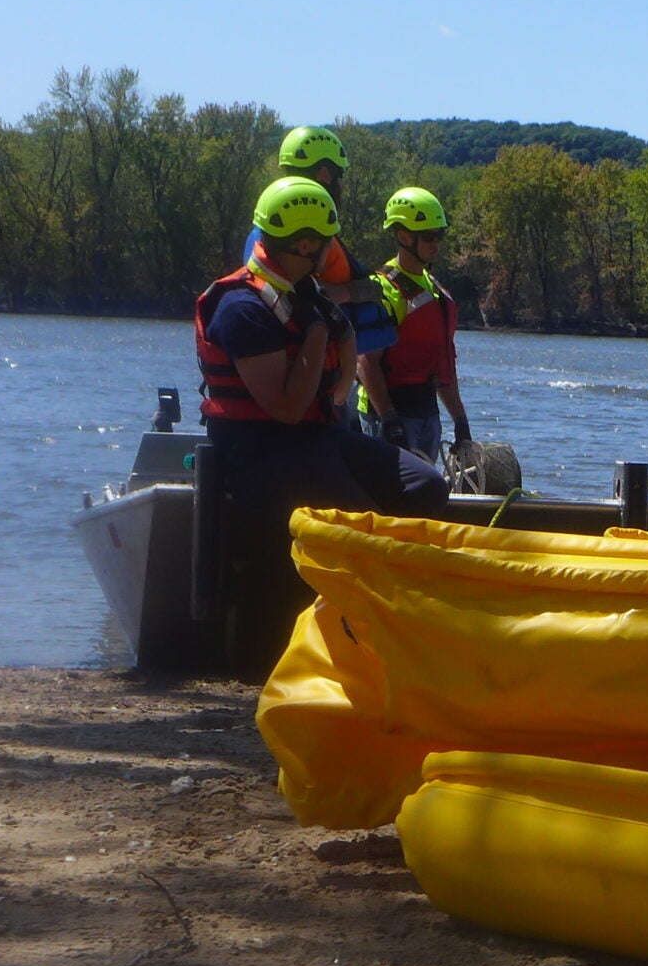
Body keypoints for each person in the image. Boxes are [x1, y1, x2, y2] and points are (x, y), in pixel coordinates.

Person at [196, 176, 449, 666]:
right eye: (324, 244)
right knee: (361, 522)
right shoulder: (242, 308)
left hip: (317, 438)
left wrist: (331, 326)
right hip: (261, 451)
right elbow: (286, 408)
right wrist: (316, 328)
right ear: (305, 243)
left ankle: (408, 630)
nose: (329, 254)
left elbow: (336, 390)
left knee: (426, 488)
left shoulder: (303, 294)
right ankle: (358, 647)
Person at [245, 126, 399, 419]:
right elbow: (286, 297)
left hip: (330, 373)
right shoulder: (272, 236)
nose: (340, 184)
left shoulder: (307, 232)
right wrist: (353, 293)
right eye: (339, 176)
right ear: (325, 175)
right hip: (309, 377)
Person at [358, 187, 472, 459]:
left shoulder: (434, 290)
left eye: (439, 235)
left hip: (425, 412)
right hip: (390, 415)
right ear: (403, 237)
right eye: (429, 237)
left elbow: (443, 364)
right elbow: (366, 363)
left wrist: (460, 421)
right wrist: (389, 420)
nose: (436, 244)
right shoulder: (384, 289)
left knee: (424, 494)